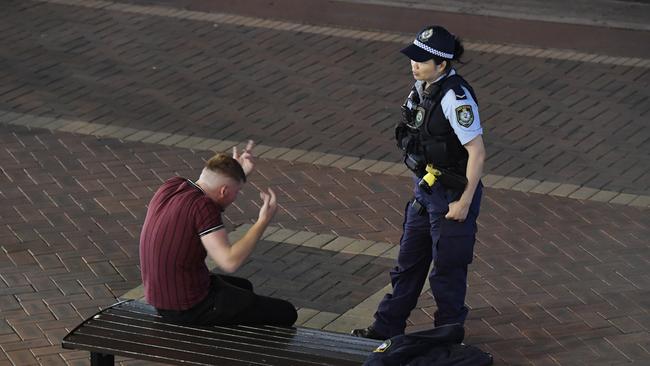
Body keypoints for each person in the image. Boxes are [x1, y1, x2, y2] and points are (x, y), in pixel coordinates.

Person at [352, 25, 486, 340]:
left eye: (422, 60)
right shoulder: (421, 86)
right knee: (407, 264)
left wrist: (464, 201)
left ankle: (448, 335)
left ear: (442, 64)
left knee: (447, 272)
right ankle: (386, 327)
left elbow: (477, 153)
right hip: (427, 191)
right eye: (413, 57)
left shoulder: (457, 99)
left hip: (453, 194)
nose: (414, 64)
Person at [139, 141, 297, 326]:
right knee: (286, 312)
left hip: (161, 296)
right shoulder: (203, 207)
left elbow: (218, 190)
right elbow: (229, 262)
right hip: (187, 307)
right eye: (236, 192)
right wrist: (262, 222)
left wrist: (237, 174)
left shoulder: (173, 186)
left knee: (244, 287)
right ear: (223, 191)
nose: (236, 196)